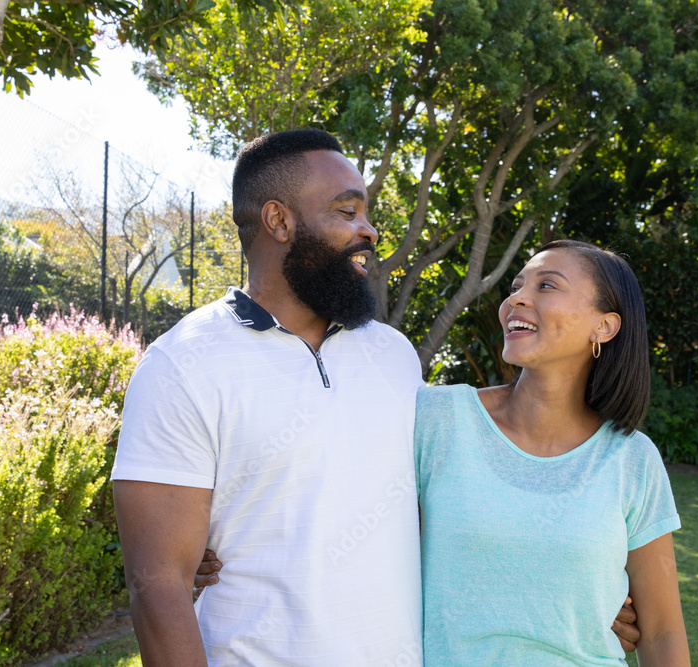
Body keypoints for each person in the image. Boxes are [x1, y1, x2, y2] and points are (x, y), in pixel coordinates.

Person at [113, 130, 640, 665]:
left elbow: (450, 509)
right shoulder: (182, 364)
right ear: (279, 221)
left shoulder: (392, 354)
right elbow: (158, 584)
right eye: (347, 212)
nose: (369, 230)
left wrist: (578, 591)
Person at [415, 239, 688, 664]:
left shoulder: (633, 459)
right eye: (516, 287)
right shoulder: (436, 419)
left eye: (546, 286)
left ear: (604, 326)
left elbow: (661, 632)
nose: (516, 299)